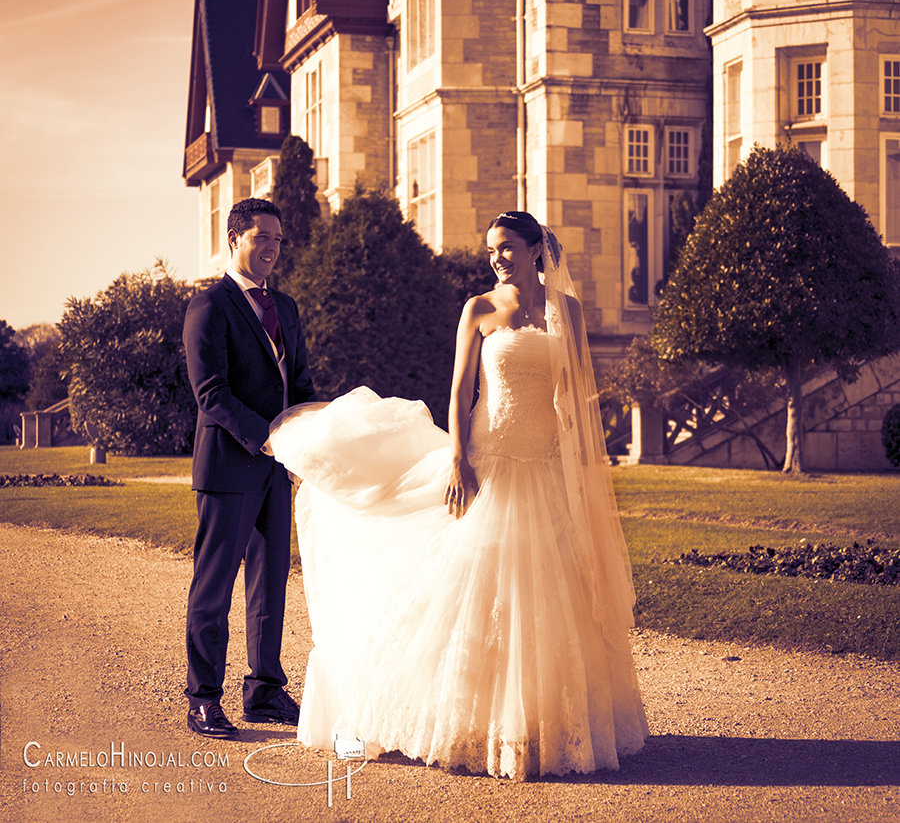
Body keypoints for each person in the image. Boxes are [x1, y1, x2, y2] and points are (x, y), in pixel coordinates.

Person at [267, 211, 648, 778]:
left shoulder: (566, 310)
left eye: (508, 248)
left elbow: (575, 392)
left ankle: (541, 726)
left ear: (536, 250)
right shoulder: (479, 309)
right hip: (488, 460)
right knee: (477, 590)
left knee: (550, 593)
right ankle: (476, 724)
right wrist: (458, 458)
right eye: (492, 249)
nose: (498, 258)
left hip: (545, 463)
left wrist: (577, 463)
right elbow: (458, 391)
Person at [182, 197, 317, 739]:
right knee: (212, 587)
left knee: (270, 586)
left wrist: (308, 438)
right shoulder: (209, 306)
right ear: (234, 238)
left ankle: (263, 689)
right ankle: (203, 698)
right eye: (262, 237)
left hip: (278, 470)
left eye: (279, 240)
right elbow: (210, 393)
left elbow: (299, 385)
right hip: (230, 466)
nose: (272, 248)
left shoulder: (285, 306)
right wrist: (269, 439)